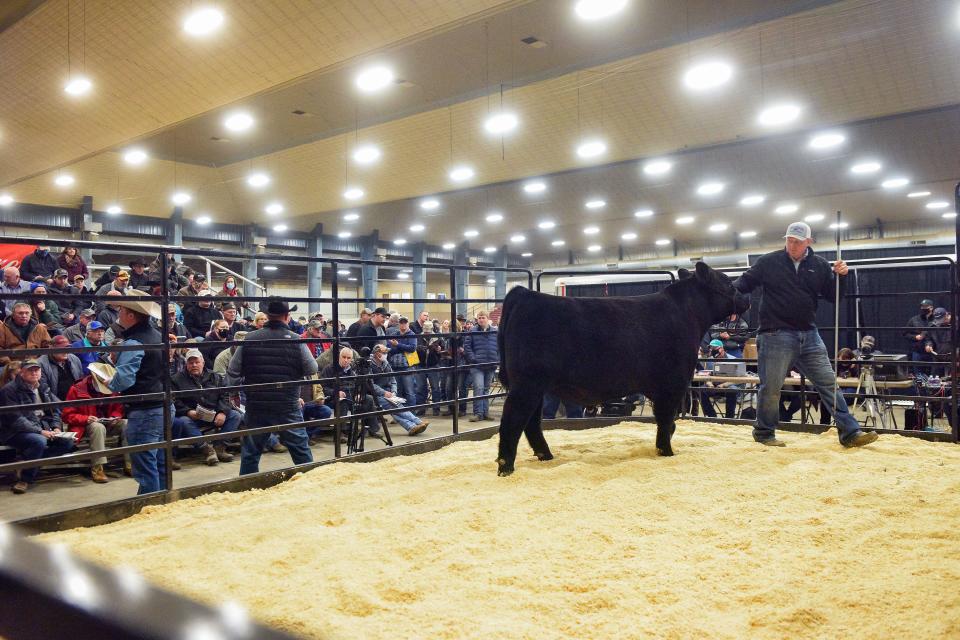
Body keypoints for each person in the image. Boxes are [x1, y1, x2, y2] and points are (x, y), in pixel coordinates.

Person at [733, 221, 877, 448]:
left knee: (828, 383)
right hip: (775, 333)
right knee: (771, 387)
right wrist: (720, 292)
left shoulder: (819, 266)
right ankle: (764, 432)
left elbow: (835, 297)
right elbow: (743, 284)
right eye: (789, 240)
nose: (791, 245)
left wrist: (842, 276)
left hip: (809, 334)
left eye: (797, 242)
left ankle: (850, 432)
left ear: (808, 242)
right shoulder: (768, 262)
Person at [226, 297, 317, 475]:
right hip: (287, 404)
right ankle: (310, 483)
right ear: (287, 316)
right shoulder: (295, 340)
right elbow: (312, 368)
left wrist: (233, 392)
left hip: (257, 403)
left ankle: (247, 486)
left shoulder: (249, 339)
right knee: (300, 450)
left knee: (251, 451)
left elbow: (233, 371)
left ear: (267, 316)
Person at [107, 290, 167, 494]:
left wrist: (109, 382)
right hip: (163, 405)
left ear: (131, 315)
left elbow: (124, 379)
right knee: (159, 462)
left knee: (145, 466)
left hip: (144, 409)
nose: (119, 314)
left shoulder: (133, 343)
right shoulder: (158, 337)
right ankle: (163, 504)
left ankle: (148, 506)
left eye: (122, 310)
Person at [0, 358, 74, 494]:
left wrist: (56, 426)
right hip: (13, 431)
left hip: (41, 427)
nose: (34, 373)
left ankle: (26, 463)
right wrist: (40, 431)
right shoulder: (9, 390)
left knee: (68, 443)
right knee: (39, 441)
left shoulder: (43, 387)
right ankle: (25, 479)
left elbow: (55, 409)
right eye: (30, 370)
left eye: (37, 370)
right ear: (21, 373)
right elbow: (16, 420)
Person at [62, 362, 127, 483]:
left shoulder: (113, 389)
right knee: (97, 427)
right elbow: (67, 415)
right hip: (84, 426)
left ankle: (130, 463)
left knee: (126, 424)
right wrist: (85, 418)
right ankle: (98, 468)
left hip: (107, 422)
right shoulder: (76, 389)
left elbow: (118, 408)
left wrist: (115, 416)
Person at [171, 348, 239, 465]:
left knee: (235, 415)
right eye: (191, 363)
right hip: (192, 417)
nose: (194, 365)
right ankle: (207, 450)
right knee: (183, 421)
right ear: (186, 364)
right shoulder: (176, 379)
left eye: (197, 362)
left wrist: (222, 412)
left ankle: (220, 447)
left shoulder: (215, 377)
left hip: (213, 414)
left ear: (203, 362)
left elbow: (225, 395)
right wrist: (188, 411)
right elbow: (175, 401)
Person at [368, 344, 428, 435]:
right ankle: (417, 422)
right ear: (377, 353)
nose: (386, 354)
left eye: (386, 352)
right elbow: (371, 384)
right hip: (374, 394)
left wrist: (394, 391)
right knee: (394, 406)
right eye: (384, 352)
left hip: (387, 392)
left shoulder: (385, 363)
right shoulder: (369, 365)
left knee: (394, 406)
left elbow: (392, 379)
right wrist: (384, 392)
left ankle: (411, 427)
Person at [320, 347, 379, 436]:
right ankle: (341, 433)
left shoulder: (353, 370)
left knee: (369, 399)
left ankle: (372, 429)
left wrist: (359, 393)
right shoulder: (329, 369)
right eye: (344, 357)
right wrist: (336, 392)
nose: (346, 360)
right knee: (343, 402)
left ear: (351, 359)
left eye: (348, 358)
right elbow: (323, 388)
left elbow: (359, 384)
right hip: (334, 397)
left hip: (352, 395)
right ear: (339, 357)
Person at [463, 309, 498, 422]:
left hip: (490, 364)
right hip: (477, 366)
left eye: (483, 317)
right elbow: (467, 347)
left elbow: (500, 347)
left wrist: (497, 359)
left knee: (486, 389)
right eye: (479, 318)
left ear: (488, 319)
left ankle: (485, 412)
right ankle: (478, 413)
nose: (481, 320)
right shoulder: (472, 331)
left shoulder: (494, 332)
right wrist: (474, 359)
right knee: (478, 388)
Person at [697, 339, 742, 420]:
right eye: (710, 348)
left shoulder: (733, 360)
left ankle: (729, 419)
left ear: (721, 348)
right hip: (715, 385)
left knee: (732, 391)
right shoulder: (709, 360)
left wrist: (724, 384)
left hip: (729, 385)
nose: (712, 350)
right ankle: (712, 417)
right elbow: (706, 374)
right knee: (701, 391)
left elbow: (739, 378)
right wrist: (709, 383)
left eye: (714, 348)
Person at [0, 301, 52, 366]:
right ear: (13, 315)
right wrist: (9, 364)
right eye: (20, 313)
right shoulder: (2, 328)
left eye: (27, 313)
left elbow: (48, 346)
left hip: (36, 363)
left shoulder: (40, 328)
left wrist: (40, 362)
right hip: (12, 364)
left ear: (30, 315)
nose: (24, 316)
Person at [38, 335, 84, 403]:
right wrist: (61, 406)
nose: (65, 351)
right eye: (61, 348)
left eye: (67, 348)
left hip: (76, 400)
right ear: (51, 348)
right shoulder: (41, 364)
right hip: (58, 404)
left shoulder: (74, 359)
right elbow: (45, 391)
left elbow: (81, 382)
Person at [386, 316, 418, 407]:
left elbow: (412, 348)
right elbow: (390, 348)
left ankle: (411, 414)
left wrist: (397, 345)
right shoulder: (395, 334)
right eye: (401, 323)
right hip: (395, 367)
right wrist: (402, 347)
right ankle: (400, 414)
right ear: (399, 324)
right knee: (397, 392)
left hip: (407, 367)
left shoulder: (412, 334)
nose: (403, 324)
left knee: (410, 391)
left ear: (408, 324)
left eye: (405, 322)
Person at [904, 299, 935, 375]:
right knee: (919, 376)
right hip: (918, 352)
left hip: (933, 351)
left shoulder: (936, 319)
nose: (923, 309)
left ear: (931, 308)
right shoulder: (914, 319)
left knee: (934, 376)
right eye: (922, 307)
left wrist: (931, 345)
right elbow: (905, 334)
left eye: (926, 307)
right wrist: (915, 337)